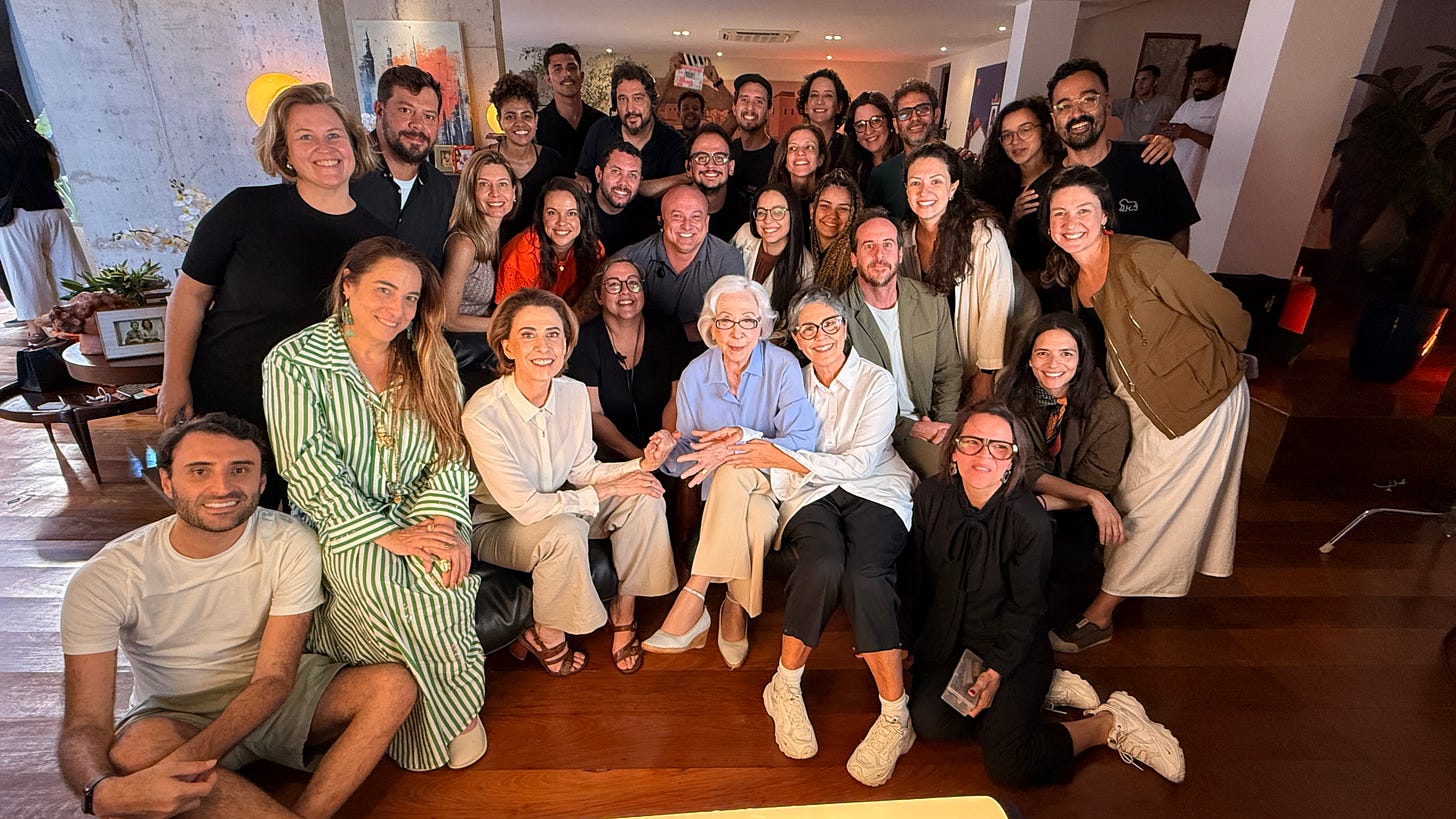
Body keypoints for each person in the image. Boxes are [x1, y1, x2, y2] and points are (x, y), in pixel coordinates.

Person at [58, 414, 419, 818]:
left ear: (261, 483)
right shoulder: (105, 577)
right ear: (167, 481)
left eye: (240, 470)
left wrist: (183, 765)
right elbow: (84, 723)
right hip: (175, 710)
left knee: (392, 686)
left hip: (280, 692)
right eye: (199, 471)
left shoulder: (291, 542)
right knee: (132, 753)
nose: (223, 487)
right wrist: (101, 793)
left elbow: (273, 678)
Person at [262, 236, 487, 772]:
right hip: (338, 518)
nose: (397, 309)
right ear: (348, 285)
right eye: (385, 290)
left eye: (410, 298)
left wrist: (440, 519)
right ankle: (450, 715)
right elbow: (305, 464)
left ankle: (431, 717)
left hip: (424, 507)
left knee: (442, 569)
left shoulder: (429, 356)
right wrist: (383, 533)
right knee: (378, 579)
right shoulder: (294, 363)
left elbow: (451, 453)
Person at [902, 400, 1187, 786]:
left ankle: (1108, 722)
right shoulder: (929, 496)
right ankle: (1038, 695)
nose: (984, 455)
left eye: (999, 447)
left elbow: (1027, 608)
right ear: (953, 449)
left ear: (1011, 462)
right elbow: (916, 579)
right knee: (932, 723)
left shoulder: (1028, 519)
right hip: (950, 638)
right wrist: (903, 638)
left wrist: (998, 670)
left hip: (1010, 643)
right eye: (971, 442)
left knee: (1008, 763)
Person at [1041, 165, 1251, 653]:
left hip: (1195, 399)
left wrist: (1217, 365)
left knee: (1149, 502)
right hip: (1137, 395)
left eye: (1083, 211)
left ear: (1105, 216)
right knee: (1130, 489)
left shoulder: (1148, 257)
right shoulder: (1075, 271)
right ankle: (1121, 580)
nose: (1071, 222)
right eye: (1060, 213)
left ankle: (1101, 614)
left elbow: (1232, 317)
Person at [161, 82, 386, 508]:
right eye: (306, 137)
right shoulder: (243, 210)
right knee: (225, 511)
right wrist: (175, 380)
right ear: (284, 152)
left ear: (354, 144)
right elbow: (189, 296)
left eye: (334, 134)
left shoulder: (376, 239)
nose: (325, 147)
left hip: (315, 410)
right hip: (229, 395)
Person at [464, 288, 678, 675]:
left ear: (566, 345)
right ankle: (546, 633)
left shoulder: (574, 393)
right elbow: (527, 507)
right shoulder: (483, 413)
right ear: (507, 347)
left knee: (645, 495)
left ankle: (624, 610)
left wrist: (640, 464)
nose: (543, 345)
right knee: (563, 530)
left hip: (565, 501)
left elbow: (582, 470)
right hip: (502, 524)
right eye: (528, 334)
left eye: (554, 334)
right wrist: (602, 491)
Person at [755, 288, 917, 787]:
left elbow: (858, 463)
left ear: (845, 327)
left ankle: (896, 716)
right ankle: (783, 685)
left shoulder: (877, 382)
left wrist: (787, 460)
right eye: (807, 329)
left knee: (866, 575)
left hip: (877, 488)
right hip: (812, 495)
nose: (820, 336)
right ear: (796, 339)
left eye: (829, 325)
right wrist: (780, 467)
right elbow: (775, 452)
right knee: (822, 565)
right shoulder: (790, 383)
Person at [642, 277, 819, 667]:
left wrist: (735, 448)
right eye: (726, 321)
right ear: (711, 325)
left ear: (763, 325)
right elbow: (689, 457)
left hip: (774, 480)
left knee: (732, 468)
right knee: (753, 520)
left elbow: (804, 438)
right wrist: (669, 448)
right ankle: (735, 608)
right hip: (731, 500)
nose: (737, 333)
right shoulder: (695, 374)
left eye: (748, 322)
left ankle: (695, 594)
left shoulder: (783, 366)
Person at [997, 313, 1131, 625]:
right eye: (1042, 353)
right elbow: (1025, 468)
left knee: (1058, 569)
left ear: (1082, 360)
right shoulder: (1014, 396)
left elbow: (1098, 482)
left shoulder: (1108, 412)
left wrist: (1058, 500)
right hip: (1019, 495)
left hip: (1073, 511)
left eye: (1066, 354)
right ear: (1030, 360)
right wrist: (1093, 497)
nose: (1052, 364)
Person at [900, 142, 1040, 402]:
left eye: (936, 181)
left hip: (1008, 341)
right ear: (906, 189)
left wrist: (985, 375)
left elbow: (996, 308)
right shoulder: (904, 239)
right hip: (955, 347)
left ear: (953, 187)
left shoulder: (983, 235)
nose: (924, 191)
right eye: (915, 183)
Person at [842, 209, 961, 479]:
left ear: (900, 254)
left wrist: (944, 426)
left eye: (887, 245)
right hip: (879, 431)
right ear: (853, 258)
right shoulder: (839, 318)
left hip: (934, 422)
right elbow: (851, 400)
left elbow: (948, 371)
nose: (879, 255)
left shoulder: (931, 301)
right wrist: (909, 428)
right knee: (948, 474)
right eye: (868, 246)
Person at [1047, 58, 1195, 254]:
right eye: (1064, 106)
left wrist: (1168, 283)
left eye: (1088, 99)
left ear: (1107, 105)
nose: (1076, 113)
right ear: (1054, 119)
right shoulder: (1047, 182)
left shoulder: (1150, 160)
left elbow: (1179, 232)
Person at [569, 258, 691, 460]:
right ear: (599, 296)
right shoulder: (584, 340)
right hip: (610, 453)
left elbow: (676, 397)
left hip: (668, 445)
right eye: (614, 284)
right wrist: (637, 457)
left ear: (643, 292)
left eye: (633, 283)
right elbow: (594, 413)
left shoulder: (669, 330)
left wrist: (664, 445)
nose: (625, 291)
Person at [0, 90, 88, 343]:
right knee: (70, 271)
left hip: (16, 217)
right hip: (52, 210)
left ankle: (36, 331)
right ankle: (81, 323)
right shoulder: (35, 141)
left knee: (24, 273)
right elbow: (55, 173)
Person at [351, 66, 456, 268]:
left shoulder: (440, 189)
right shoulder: (346, 171)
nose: (418, 124)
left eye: (429, 116)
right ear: (380, 110)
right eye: (406, 110)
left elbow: (430, 270)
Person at [619, 184, 745, 343]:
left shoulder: (727, 258)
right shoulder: (632, 257)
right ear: (661, 221)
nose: (687, 225)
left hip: (704, 348)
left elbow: (730, 321)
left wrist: (670, 337)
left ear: (707, 222)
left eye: (696, 217)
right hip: (642, 346)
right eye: (677, 216)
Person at [975, 97, 1066, 311]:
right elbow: (995, 251)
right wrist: (1013, 221)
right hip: (1016, 297)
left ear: (1044, 129)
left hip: (1060, 291)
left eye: (1025, 130)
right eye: (1007, 136)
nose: (1016, 141)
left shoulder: (1066, 172)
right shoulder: (995, 185)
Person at [440, 150, 518, 392]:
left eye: (503, 184)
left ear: (514, 193)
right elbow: (447, 318)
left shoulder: (494, 236)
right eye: (484, 184)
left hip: (478, 340)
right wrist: (506, 323)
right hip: (456, 348)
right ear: (471, 193)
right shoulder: (464, 243)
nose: (495, 194)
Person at [576, 62, 689, 199]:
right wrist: (581, 180)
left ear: (652, 101)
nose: (630, 109)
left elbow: (681, 189)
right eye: (623, 99)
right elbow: (582, 175)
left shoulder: (673, 142)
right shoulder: (600, 130)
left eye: (638, 99)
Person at [496, 177, 603, 306]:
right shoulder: (521, 254)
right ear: (541, 216)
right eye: (552, 213)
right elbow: (510, 314)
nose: (561, 222)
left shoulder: (593, 249)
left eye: (571, 213)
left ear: (583, 217)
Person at [491, 72, 571, 242]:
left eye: (526, 116)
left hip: (541, 252)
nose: (520, 123)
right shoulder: (484, 160)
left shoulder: (552, 160)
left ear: (535, 120)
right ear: (500, 120)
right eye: (510, 116)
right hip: (492, 251)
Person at [731, 181, 814, 320]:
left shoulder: (806, 268)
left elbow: (793, 324)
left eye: (778, 212)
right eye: (761, 212)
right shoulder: (744, 234)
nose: (768, 220)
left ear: (793, 215)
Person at [1164, 44, 1236, 198]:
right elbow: (1175, 132)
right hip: (1176, 179)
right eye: (1194, 81)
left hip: (1203, 186)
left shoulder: (1228, 105)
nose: (1197, 86)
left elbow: (1226, 147)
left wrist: (1190, 133)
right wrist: (1169, 132)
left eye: (1203, 81)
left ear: (1221, 80)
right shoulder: (1189, 104)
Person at [866, 79, 941, 221]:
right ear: (896, 124)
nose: (914, 118)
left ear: (936, 115)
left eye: (923, 109)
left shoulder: (962, 168)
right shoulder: (881, 176)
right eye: (905, 114)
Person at [535, 43, 607, 171]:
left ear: (582, 76)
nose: (566, 74)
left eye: (572, 67)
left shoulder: (602, 122)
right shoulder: (537, 125)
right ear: (548, 79)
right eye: (558, 69)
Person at [591, 141, 656, 255]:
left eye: (632, 175)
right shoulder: (577, 210)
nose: (623, 183)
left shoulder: (646, 218)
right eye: (616, 171)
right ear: (599, 174)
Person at [688, 123, 749, 241]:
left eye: (719, 158)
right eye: (701, 158)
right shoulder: (670, 208)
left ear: (731, 167)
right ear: (689, 167)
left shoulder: (744, 212)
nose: (710, 165)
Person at [807, 169, 862, 294]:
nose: (832, 215)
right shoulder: (801, 245)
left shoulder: (855, 261)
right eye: (825, 206)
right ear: (812, 210)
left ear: (853, 215)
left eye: (842, 209)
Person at [837, 91, 902, 194]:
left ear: (890, 122)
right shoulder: (850, 171)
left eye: (876, 121)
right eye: (860, 125)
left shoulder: (907, 163)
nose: (868, 131)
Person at [729, 73, 778, 203]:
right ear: (734, 108)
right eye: (744, 100)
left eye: (759, 102)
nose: (750, 108)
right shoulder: (727, 151)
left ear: (769, 111)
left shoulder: (779, 157)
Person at [766, 123, 828, 215]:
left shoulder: (829, 204)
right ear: (785, 160)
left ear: (820, 159)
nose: (800, 153)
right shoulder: (769, 202)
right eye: (793, 148)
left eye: (809, 147)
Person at [1111, 65, 1180, 143]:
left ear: (1155, 82)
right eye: (1137, 81)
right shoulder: (1126, 105)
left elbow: (1182, 126)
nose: (1139, 84)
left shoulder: (1167, 103)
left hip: (1150, 151)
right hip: (1125, 150)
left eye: (1144, 79)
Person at [796, 69, 850, 163]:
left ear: (839, 107)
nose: (820, 101)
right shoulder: (792, 145)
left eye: (828, 95)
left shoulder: (850, 148)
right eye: (814, 95)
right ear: (806, 106)